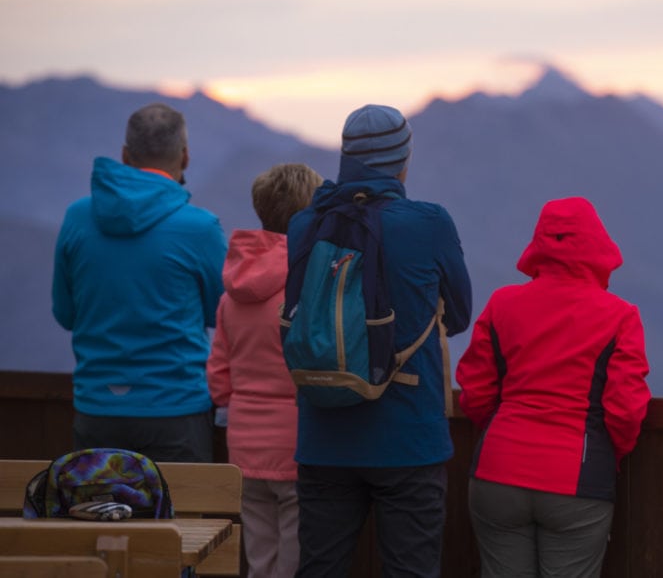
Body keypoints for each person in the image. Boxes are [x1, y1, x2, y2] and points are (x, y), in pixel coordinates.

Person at [292, 104, 473, 578]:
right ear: (402, 160)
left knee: (319, 569)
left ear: (345, 158)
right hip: (408, 438)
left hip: (323, 436)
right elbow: (458, 315)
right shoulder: (429, 222)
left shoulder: (303, 226)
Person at [456, 196, 651, 578]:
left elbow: (475, 393)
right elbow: (625, 410)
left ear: (539, 244)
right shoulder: (620, 316)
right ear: (599, 244)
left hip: (497, 471)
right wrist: (607, 455)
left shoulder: (502, 304)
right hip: (575, 479)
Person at [51, 102, 227, 463]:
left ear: (125, 155)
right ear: (185, 157)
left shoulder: (77, 218)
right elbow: (220, 314)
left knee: (97, 517)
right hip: (176, 411)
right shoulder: (200, 228)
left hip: (96, 410)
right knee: (186, 520)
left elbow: (66, 314)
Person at [207, 163, 323, 578]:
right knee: (293, 561)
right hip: (297, 440)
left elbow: (219, 374)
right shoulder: (308, 282)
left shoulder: (231, 291)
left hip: (243, 442)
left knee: (258, 558)